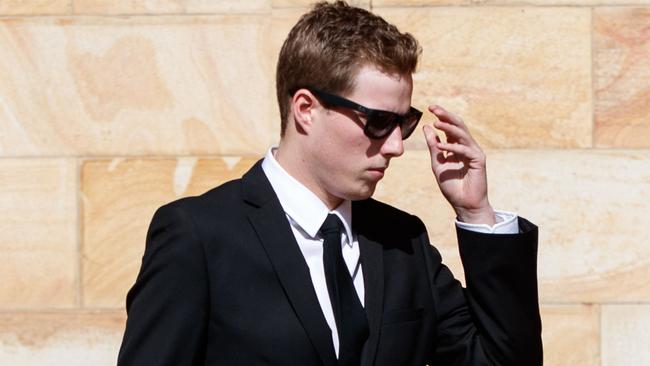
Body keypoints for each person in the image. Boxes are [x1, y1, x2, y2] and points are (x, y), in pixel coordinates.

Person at [117, 1, 542, 365]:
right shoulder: (200, 236)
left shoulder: (401, 242)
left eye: (404, 123)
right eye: (378, 122)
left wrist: (476, 213)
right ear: (306, 108)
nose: (396, 146)